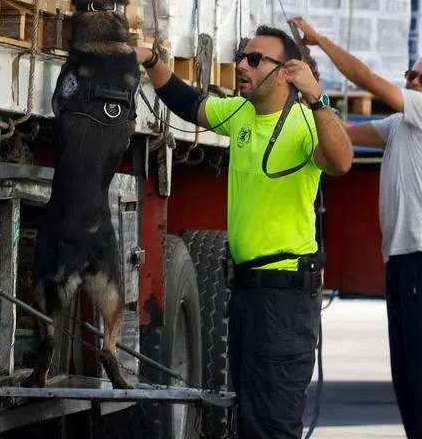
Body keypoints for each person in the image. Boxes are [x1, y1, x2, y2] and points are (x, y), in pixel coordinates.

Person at [135, 25, 353, 439]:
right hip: (247, 294)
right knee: (246, 420)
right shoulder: (240, 114)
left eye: (255, 60)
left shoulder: (306, 123)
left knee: (272, 425)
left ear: (286, 71)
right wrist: (150, 61)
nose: (242, 66)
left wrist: (318, 98)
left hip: (284, 299)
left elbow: (341, 161)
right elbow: (190, 104)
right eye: (241, 56)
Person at [287, 16, 422, 439]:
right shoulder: (400, 126)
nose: (416, 83)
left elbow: (365, 78)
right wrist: (308, 104)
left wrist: (321, 41)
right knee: (405, 364)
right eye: (411, 76)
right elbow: (343, 135)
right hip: (403, 256)